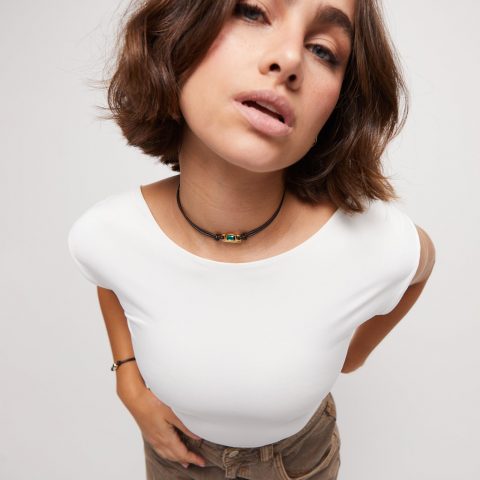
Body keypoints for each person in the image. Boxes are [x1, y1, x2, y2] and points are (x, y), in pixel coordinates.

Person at [67, 0, 436, 478]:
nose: (289, 59)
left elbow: (420, 265)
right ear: (177, 32)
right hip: (174, 456)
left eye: (323, 50)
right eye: (253, 12)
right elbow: (111, 273)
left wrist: (355, 353)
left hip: (302, 461)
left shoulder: (374, 240)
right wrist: (128, 379)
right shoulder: (107, 232)